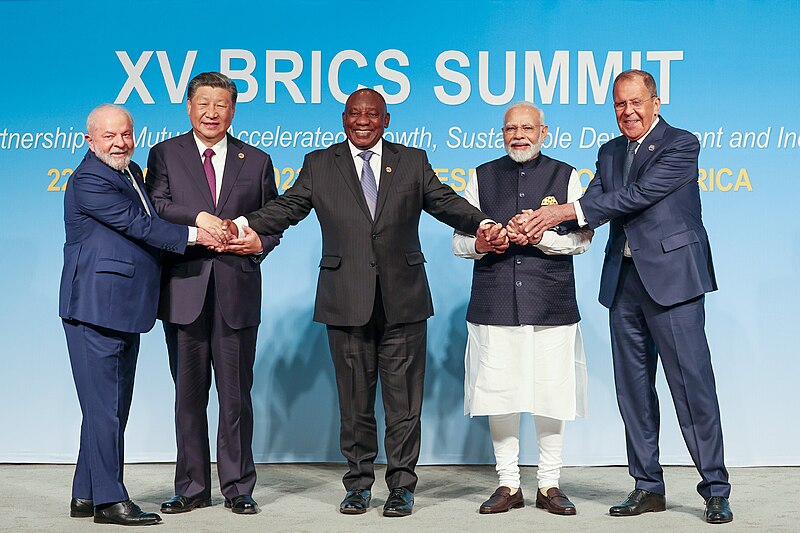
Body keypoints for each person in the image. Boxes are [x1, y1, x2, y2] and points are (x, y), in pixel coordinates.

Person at [227, 88, 496, 517]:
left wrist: (482, 221)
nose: (363, 121)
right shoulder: (320, 163)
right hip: (345, 298)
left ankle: (402, 487)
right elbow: (288, 207)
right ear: (343, 118)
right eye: (355, 114)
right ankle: (357, 486)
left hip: (403, 300)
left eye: (372, 114)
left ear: (386, 120)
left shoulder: (412, 160)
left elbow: (444, 202)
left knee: (404, 404)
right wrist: (242, 225)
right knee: (354, 404)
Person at [520, 69, 733, 524]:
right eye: (620, 105)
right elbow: (594, 201)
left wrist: (565, 209)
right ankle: (647, 487)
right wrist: (540, 220)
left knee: (692, 389)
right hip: (625, 282)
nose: (628, 112)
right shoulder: (610, 150)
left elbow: (638, 195)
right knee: (633, 391)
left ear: (656, 102)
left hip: (673, 281)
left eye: (636, 102)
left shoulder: (681, 144)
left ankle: (715, 488)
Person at [60, 104, 221, 526]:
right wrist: (197, 234)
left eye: (126, 134)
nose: (120, 143)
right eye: (109, 136)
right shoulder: (90, 179)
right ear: (89, 140)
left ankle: (86, 492)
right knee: (106, 409)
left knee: (108, 406)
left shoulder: (128, 172)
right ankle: (110, 501)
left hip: (126, 306)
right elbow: (140, 224)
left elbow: (152, 213)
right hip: (95, 309)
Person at [145, 72, 280, 516]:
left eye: (221, 104)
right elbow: (158, 206)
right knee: (188, 396)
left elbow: (271, 218)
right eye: (203, 103)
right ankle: (191, 486)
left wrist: (258, 242)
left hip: (236, 293)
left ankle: (238, 486)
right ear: (189, 106)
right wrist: (201, 217)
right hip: (184, 291)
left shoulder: (256, 161)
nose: (211, 112)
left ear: (233, 110)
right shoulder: (165, 153)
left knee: (236, 396)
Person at [453, 101, 592, 516]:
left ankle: (549, 484)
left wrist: (539, 236)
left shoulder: (567, 176)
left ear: (543, 132)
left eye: (527, 128)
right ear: (502, 133)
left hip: (551, 305)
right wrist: (484, 242)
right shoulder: (480, 178)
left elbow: (582, 241)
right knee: (500, 393)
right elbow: (460, 242)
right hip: (494, 303)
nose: (519, 135)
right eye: (511, 128)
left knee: (552, 394)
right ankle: (508, 483)